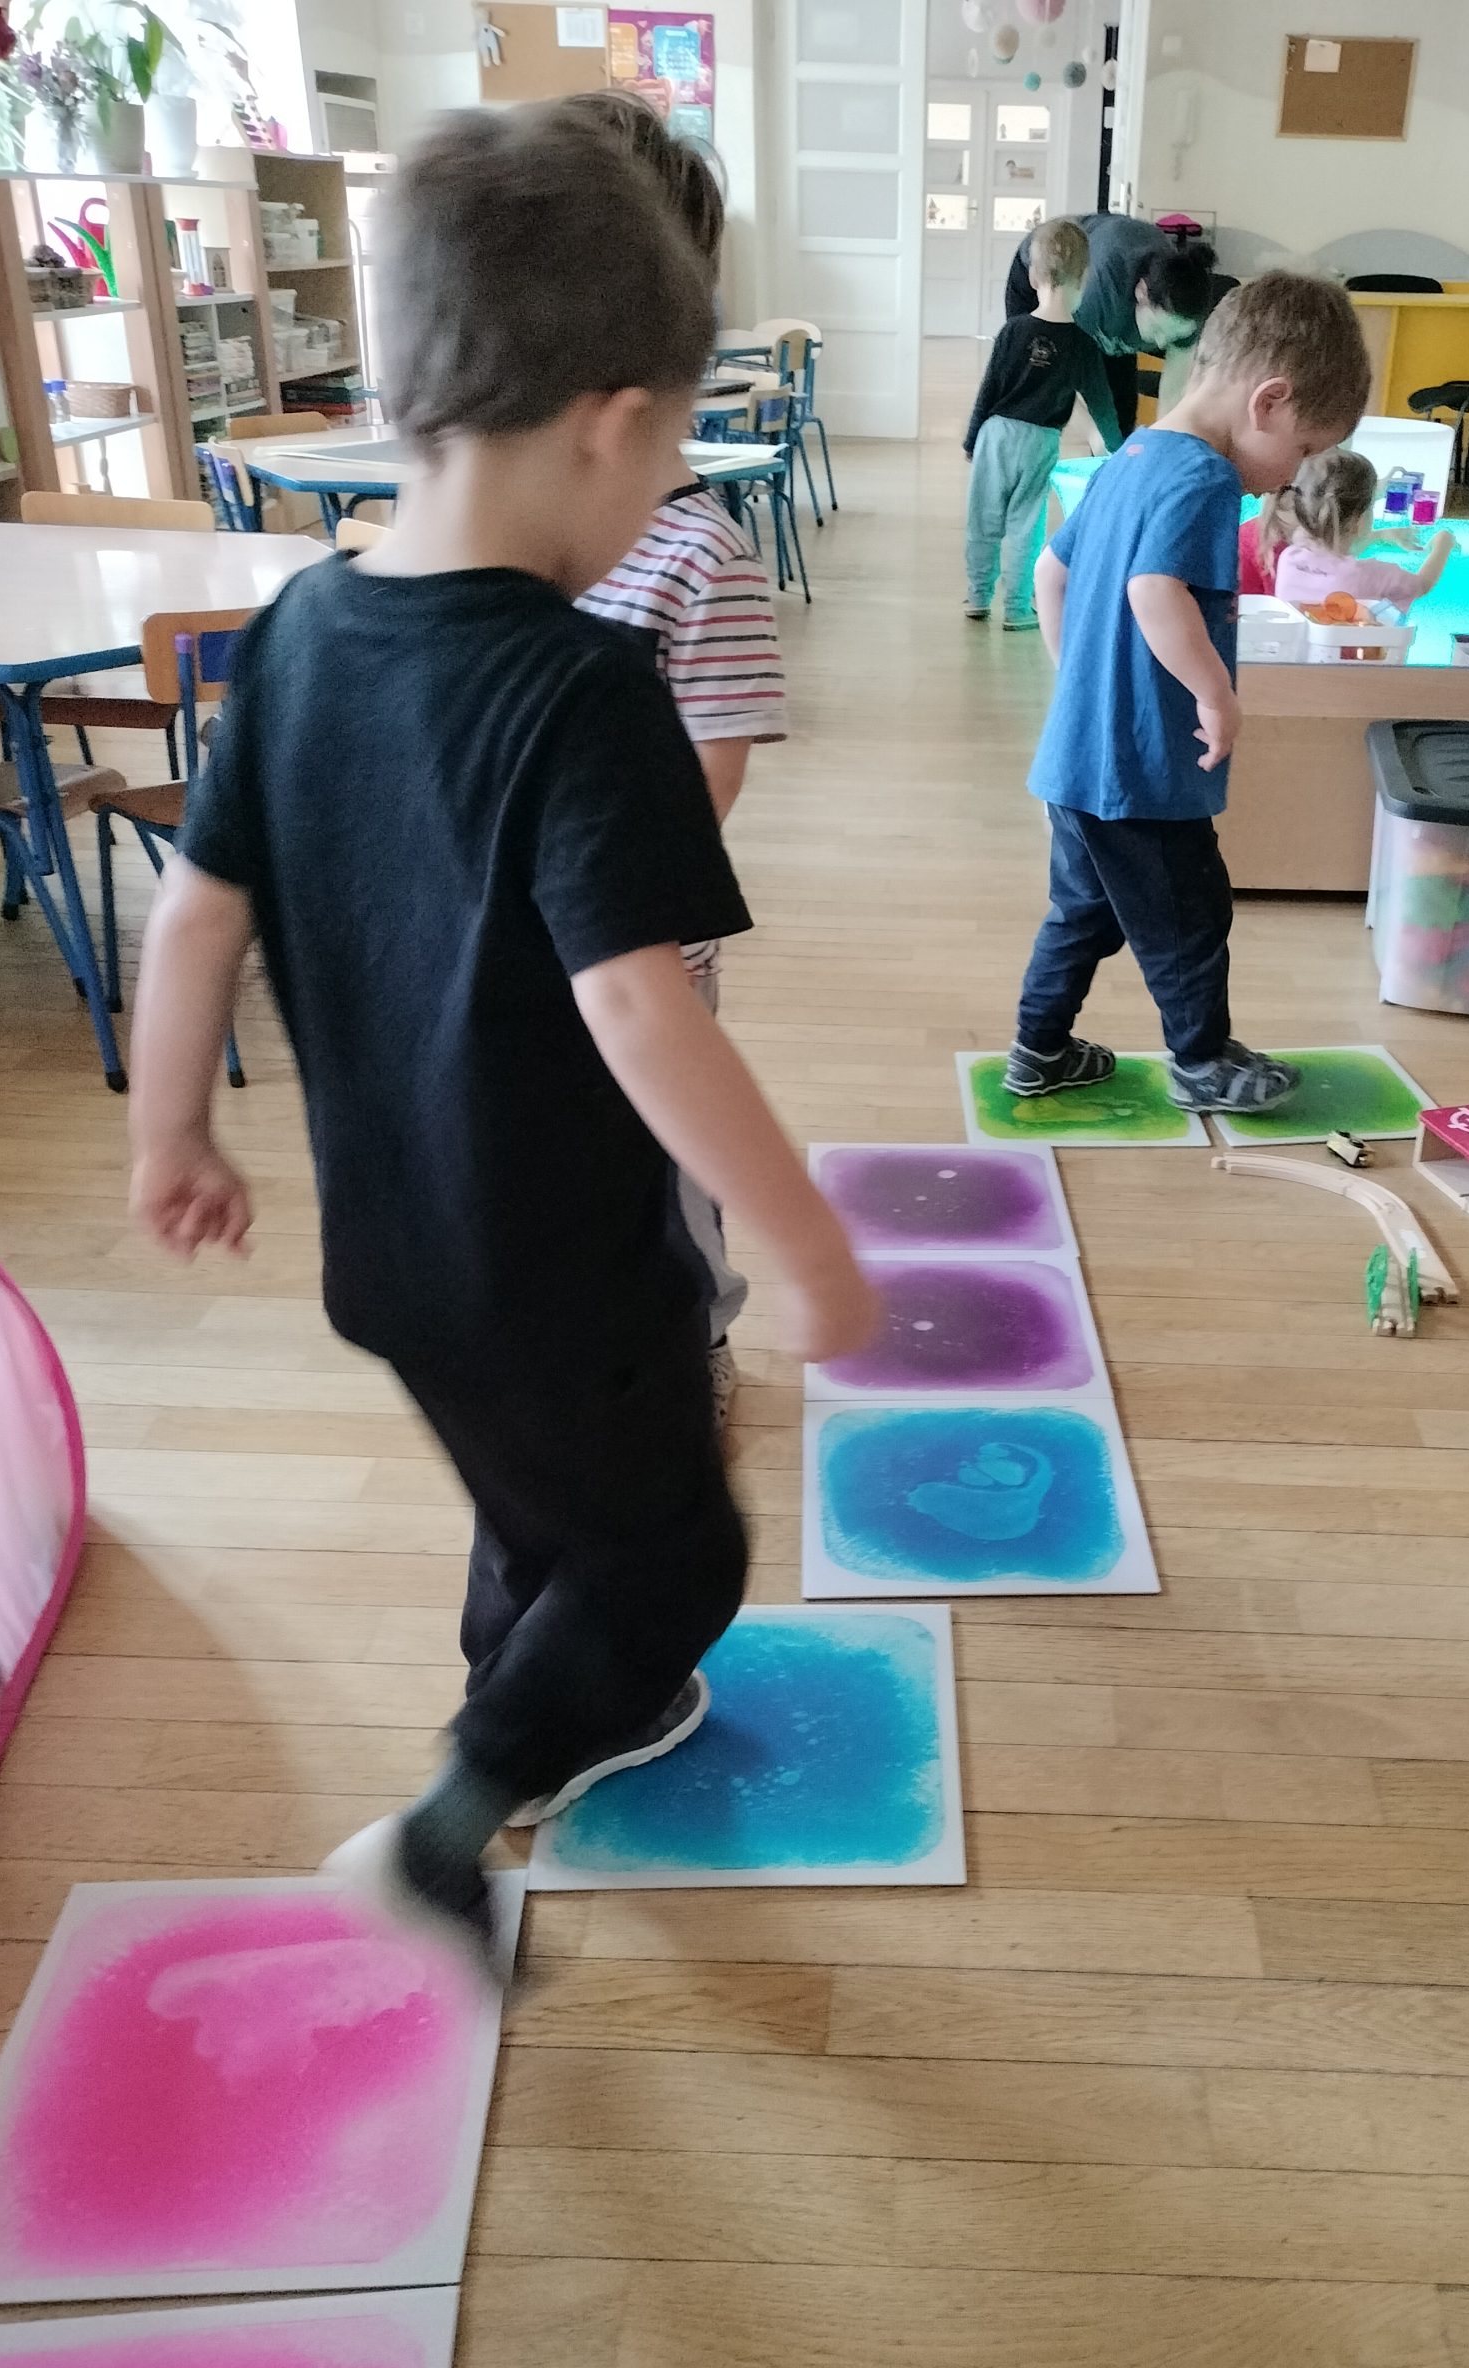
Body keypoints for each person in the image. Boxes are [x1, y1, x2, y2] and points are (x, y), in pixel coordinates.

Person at [125, 99, 877, 1975]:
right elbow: (639, 1003)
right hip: (567, 1268)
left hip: (389, 1257)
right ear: (611, 424)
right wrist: (803, 1242)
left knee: (532, 1500)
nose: (669, 489)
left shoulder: (297, 632)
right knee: (674, 1555)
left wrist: (170, 1134)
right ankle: (453, 1819)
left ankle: (529, 1688)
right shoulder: (583, 688)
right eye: (674, 446)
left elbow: (195, 913)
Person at [1002, 272, 1370, 1116]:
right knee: (1190, 917)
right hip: (1144, 769)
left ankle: (1038, 1050)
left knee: (1083, 912)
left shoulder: (1129, 457)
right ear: (1268, 402)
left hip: (1078, 757)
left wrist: (1079, 680)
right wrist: (1215, 693)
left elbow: (1050, 572)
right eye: (1306, 449)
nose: (1292, 477)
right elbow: (1153, 589)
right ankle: (1201, 1061)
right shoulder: (1205, 478)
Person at [570, 92, 787, 1433]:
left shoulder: (700, 552)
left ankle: (699, 1327)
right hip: (519, 956)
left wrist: (612, 913)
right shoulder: (501, 540)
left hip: (643, 935)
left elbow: (710, 773)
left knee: (666, 1145)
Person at [963, 217, 1120, 630]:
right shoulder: (1083, 344)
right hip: (1040, 440)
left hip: (996, 435)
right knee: (1025, 526)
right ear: (1083, 279)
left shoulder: (1012, 331)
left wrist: (971, 438)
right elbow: (1101, 402)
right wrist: (1118, 448)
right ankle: (1016, 608)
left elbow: (989, 388)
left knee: (983, 520)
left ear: (1033, 276)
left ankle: (977, 597)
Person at [1005, 211, 1216, 442]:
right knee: (1035, 393)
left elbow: (1173, 390)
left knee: (1119, 425)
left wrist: (1161, 443)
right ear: (1141, 293)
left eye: (1172, 337)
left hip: (1116, 307)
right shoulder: (1091, 295)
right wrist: (1093, 433)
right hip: (1043, 272)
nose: (1161, 343)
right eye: (1157, 330)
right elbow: (1054, 376)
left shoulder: (1185, 311)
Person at [1270, 447, 1456, 611]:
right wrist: (1443, 544)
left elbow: (1331, 555)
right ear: (1358, 521)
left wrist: (1380, 535)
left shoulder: (1289, 557)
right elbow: (1422, 585)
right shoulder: (1370, 576)